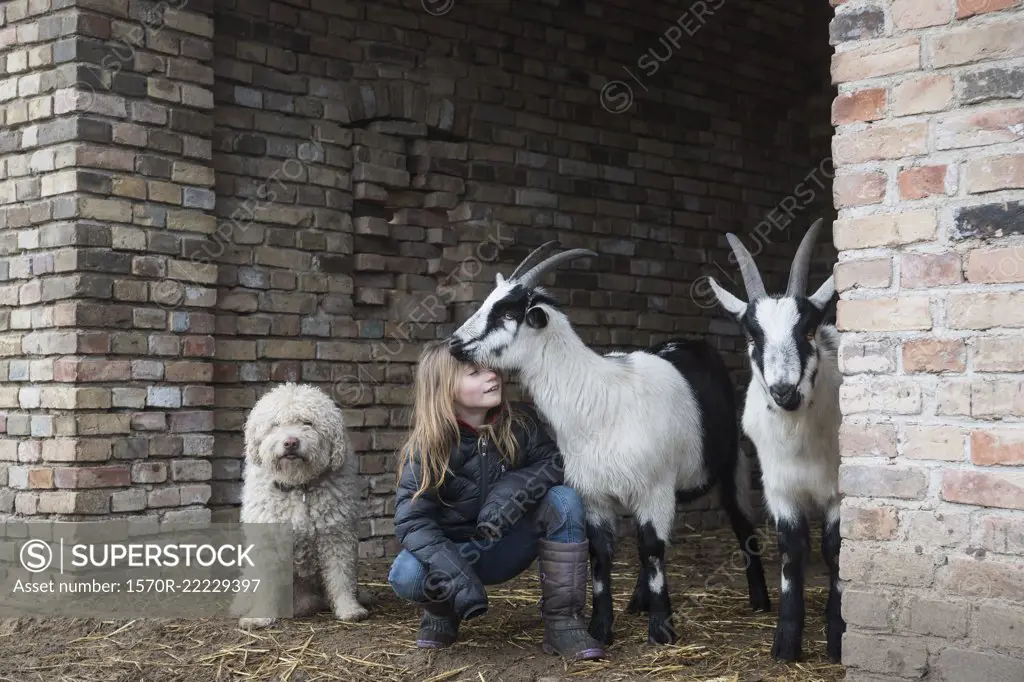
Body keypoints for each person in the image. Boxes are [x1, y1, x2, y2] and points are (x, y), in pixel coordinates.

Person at [387, 339, 606, 661]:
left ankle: (563, 622)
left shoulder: (521, 421)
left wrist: (507, 497)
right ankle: (442, 613)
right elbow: (412, 521)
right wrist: (457, 576)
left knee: (564, 499)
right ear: (444, 388)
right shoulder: (427, 448)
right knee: (406, 574)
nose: (492, 376)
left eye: (491, 367)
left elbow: (553, 464)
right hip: (458, 553)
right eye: (475, 372)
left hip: (511, 544)